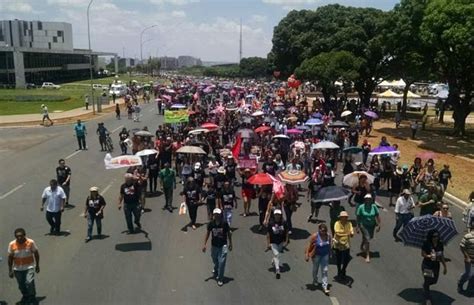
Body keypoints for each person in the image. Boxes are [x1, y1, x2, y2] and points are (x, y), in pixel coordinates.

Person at [8, 228, 40, 304]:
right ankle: (25, 296)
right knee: (21, 284)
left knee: (29, 282)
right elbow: (10, 258)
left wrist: (37, 265)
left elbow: (36, 253)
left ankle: (32, 296)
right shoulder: (12, 244)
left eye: (21, 236)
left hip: (29, 267)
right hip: (17, 269)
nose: (19, 238)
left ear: (24, 235)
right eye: (17, 236)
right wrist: (10, 270)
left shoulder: (30, 242)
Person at [202, 208, 233, 287]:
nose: (217, 216)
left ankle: (220, 278)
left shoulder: (224, 223)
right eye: (215, 214)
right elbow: (208, 233)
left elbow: (229, 233)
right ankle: (216, 268)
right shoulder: (211, 224)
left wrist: (231, 243)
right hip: (214, 245)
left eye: (218, 214)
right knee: (214, 259)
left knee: (222, 262)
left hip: (223, 245)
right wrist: (204, 244)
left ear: (220, 215)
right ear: (213, 215)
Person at [421, 230, 447, 305]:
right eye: (434, 236)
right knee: (427, 280)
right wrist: (429, 256)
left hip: (436, 265)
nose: (436, 238)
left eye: (437, 236)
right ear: (431, 237)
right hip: (427, 265)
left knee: (434, 281)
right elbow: (423, 254)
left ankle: (425, 286)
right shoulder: (426, 243)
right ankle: (427, 298)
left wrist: (445, 266)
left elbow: (442, 255)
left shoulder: (440, 244)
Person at [305, 223, 331, 295]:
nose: (324, 232)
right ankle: (315, 280)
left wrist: (330, 253)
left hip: (325, 255)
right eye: (322, 230)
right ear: (319, 230)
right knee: (315, 269)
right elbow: (309, 245)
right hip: (316, 255)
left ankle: (325, 286)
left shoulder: (328, 236)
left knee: (325, 270)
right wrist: (307, 255)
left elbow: (329, 245)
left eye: (325, 230)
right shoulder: (315, 236)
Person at [356, 194, 381, 263]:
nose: (368, 200)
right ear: (365, 200)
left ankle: (362, 245)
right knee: (367, 239)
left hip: (372, 225)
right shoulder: (361, 207)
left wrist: (379, 225)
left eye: (369, 199)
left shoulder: (374, 206)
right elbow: (358, 217)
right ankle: (367, 255)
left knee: (368, 237)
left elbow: (377, 215)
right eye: (367, 199)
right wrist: (357, 226)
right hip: (363, 225)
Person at [266, 209, 289, 279]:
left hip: (281, 242)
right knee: (277, 254)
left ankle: (274, 260)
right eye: (276, 214)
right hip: (273, 242)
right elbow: (268, 234)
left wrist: (286, 241)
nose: (277, 216)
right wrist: (268, 243)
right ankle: (277, 270)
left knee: (277, 255)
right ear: (274, 215)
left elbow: (287, 232)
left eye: (278, 214)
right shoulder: (271, 223)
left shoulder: (284, 223)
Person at [334, 211, 354, 280]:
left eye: (346, 217)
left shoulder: (349, 223)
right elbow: (337, 233)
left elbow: (351, 232)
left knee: (346, 258)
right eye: (343, 217)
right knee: (339, 258)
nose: (345, 218)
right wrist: (346, 234)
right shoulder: (337, 223)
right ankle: (339, 270)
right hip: (338, 243)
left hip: (346, 243)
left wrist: (351, 233)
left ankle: (343, 269)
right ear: (341, 218)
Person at [458, 219, 474, 293]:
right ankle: (460, 283)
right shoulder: (468, 236)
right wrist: (466, 257)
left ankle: (470, 289)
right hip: (469, 259)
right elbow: (462, 246)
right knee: (469, 274)